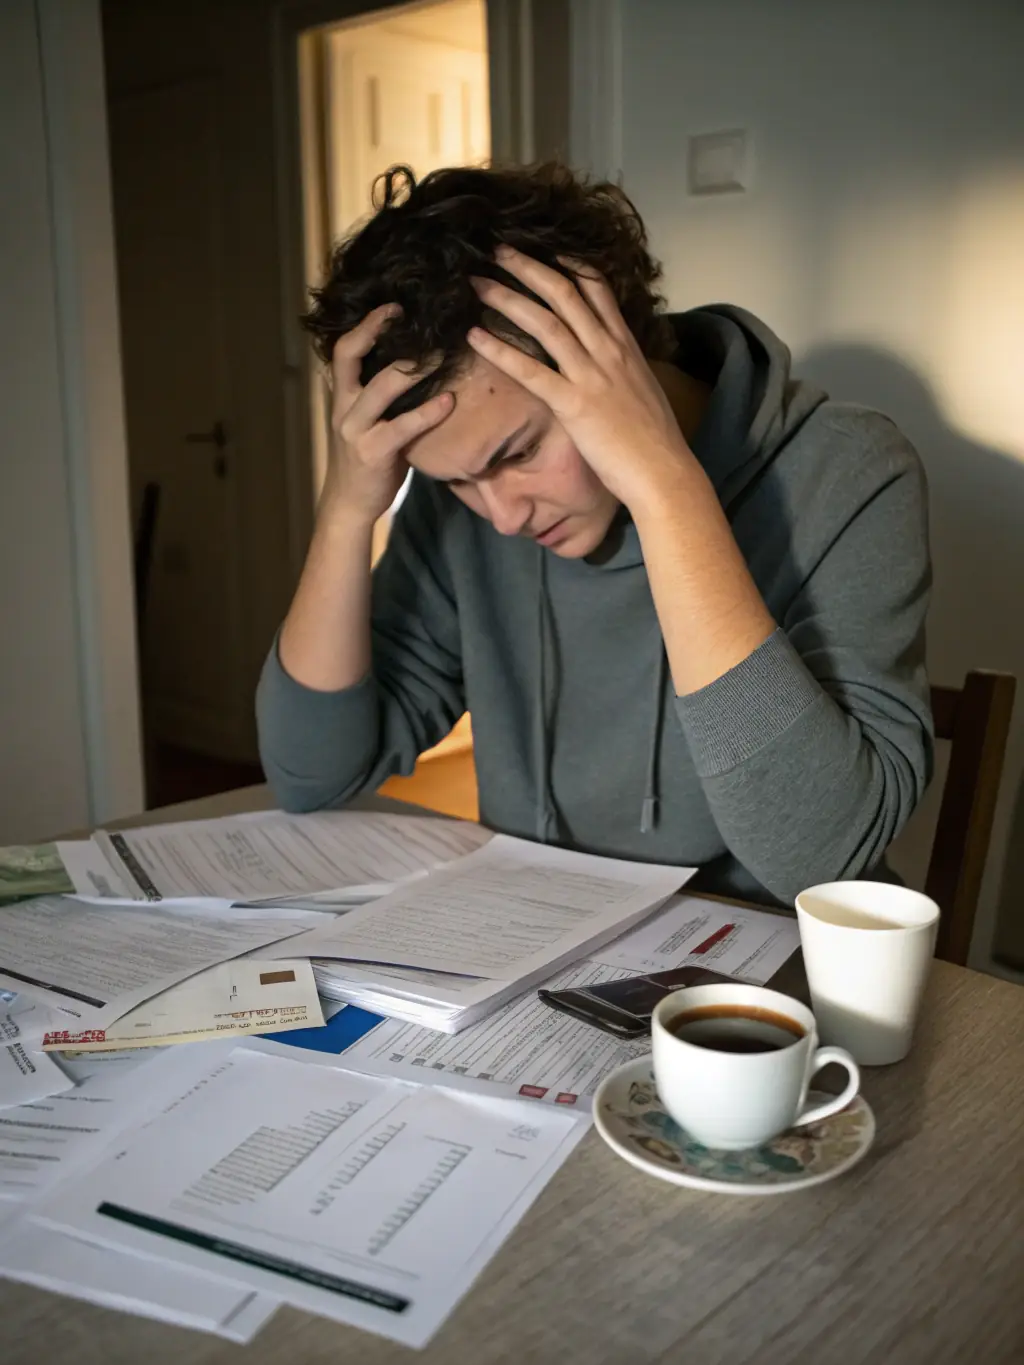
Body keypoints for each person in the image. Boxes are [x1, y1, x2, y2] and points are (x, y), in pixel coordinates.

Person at [257, 162, 933, 905]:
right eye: (456, 481)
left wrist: (666, 488)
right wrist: (349, 510)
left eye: (518, 453)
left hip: (763, 981)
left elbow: (821, 858)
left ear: (622, 358)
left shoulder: (849, 470)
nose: (504, 516)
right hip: (544, 953)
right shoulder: (467, 509)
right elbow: (309, 774)